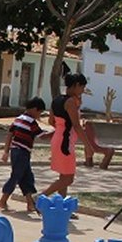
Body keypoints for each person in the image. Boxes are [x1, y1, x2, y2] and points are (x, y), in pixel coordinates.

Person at [42, 73, 88, 207]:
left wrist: (62, 128)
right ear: (77, 85)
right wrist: (88, 145)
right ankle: (41, 196)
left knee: (64, 176)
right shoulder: (70, 102)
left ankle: (60, 206)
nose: (83, 91)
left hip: (58, 138)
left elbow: (51, 121)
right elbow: (76, 125)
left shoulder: (56, 100)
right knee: (69, 178)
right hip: (65, 143)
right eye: (82, 87)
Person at [0, 96, 47, 214]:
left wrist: (6, 151)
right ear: (35, 109)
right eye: (40, 112)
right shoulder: (31, 122)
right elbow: (43, 136)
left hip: (17, 152)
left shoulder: (18, 119)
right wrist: (57, 132)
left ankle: (30, 203)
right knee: (16, 176)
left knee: (26, 177)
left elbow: (9, 135)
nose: (39, 115)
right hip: (21, 153)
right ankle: (2, 200)